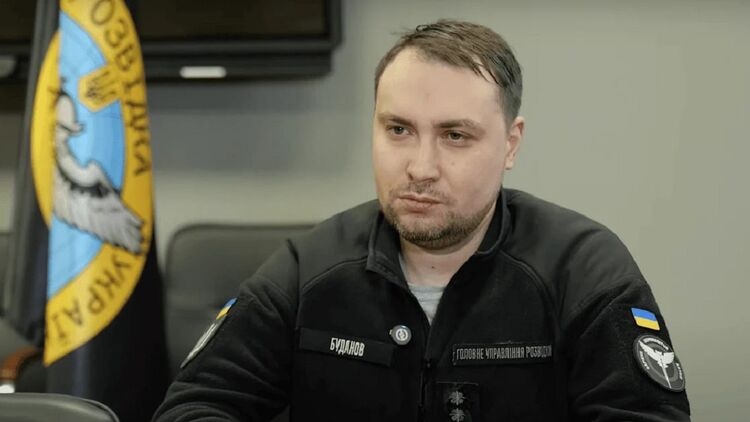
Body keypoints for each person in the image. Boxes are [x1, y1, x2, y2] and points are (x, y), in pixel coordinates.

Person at [153, 20, 691, 421]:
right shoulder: (307, 269)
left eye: (454, 136)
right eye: (398, 130)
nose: (420, 167)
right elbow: (195, 407)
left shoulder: (583, 270)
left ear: (511, 144)